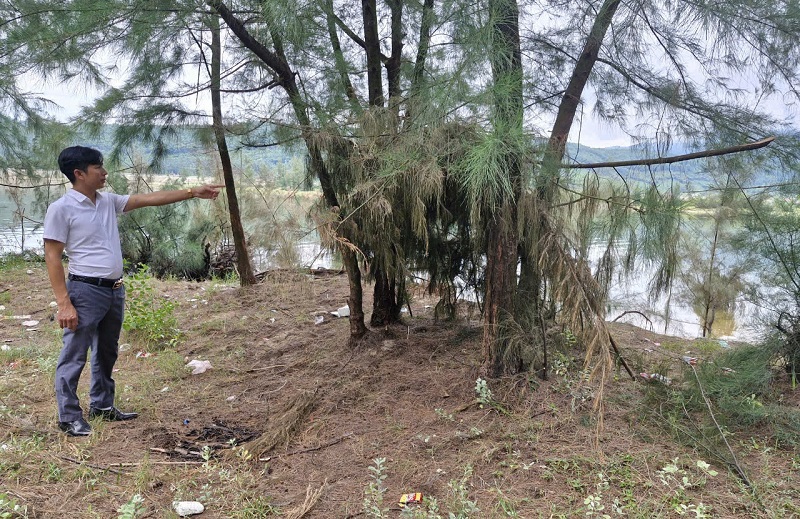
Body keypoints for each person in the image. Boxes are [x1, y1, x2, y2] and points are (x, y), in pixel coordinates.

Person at [43, 145, 224, 436]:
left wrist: (192, 192)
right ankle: (69, 417)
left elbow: (148, 199)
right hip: (85, 291)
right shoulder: (61, 209)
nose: (104, 172)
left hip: (114, 290)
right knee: (74, 354)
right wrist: (64, 303)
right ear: (79, 173)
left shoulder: (106, 201)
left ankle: (102, 405)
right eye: (97, 168)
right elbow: (52, 256)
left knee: (107, 351)